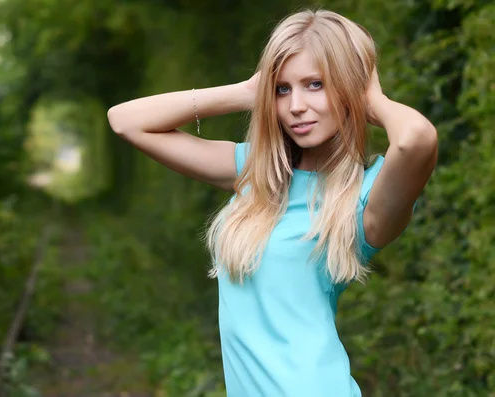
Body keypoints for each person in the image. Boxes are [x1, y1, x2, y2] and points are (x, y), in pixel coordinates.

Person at [107, 8, 438, 397]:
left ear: (350, 88)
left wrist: (371, 99)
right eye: (283, 89)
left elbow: (416, 139)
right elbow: (125, 120)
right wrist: (248, 92)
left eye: (315, 84)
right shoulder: (256, 174)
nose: (295, 105)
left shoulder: (364, 199)